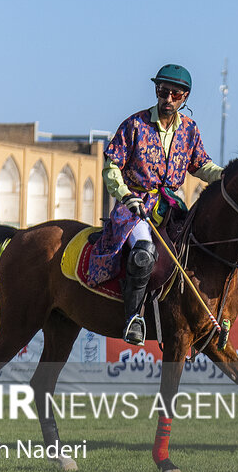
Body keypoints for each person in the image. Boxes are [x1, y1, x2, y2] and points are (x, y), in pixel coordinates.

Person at [89, 64, 224, 345]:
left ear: (185, 97)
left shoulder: (189, 130)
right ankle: (133, 318)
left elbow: (201, 166)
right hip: (134, 206)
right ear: (156, 91)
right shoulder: (134, 124)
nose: (168, 99)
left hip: (171, 207)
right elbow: (111, 167)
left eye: (175, 94)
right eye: (163, 92)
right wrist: (126, 195)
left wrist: (227, 175)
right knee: (144, 252)